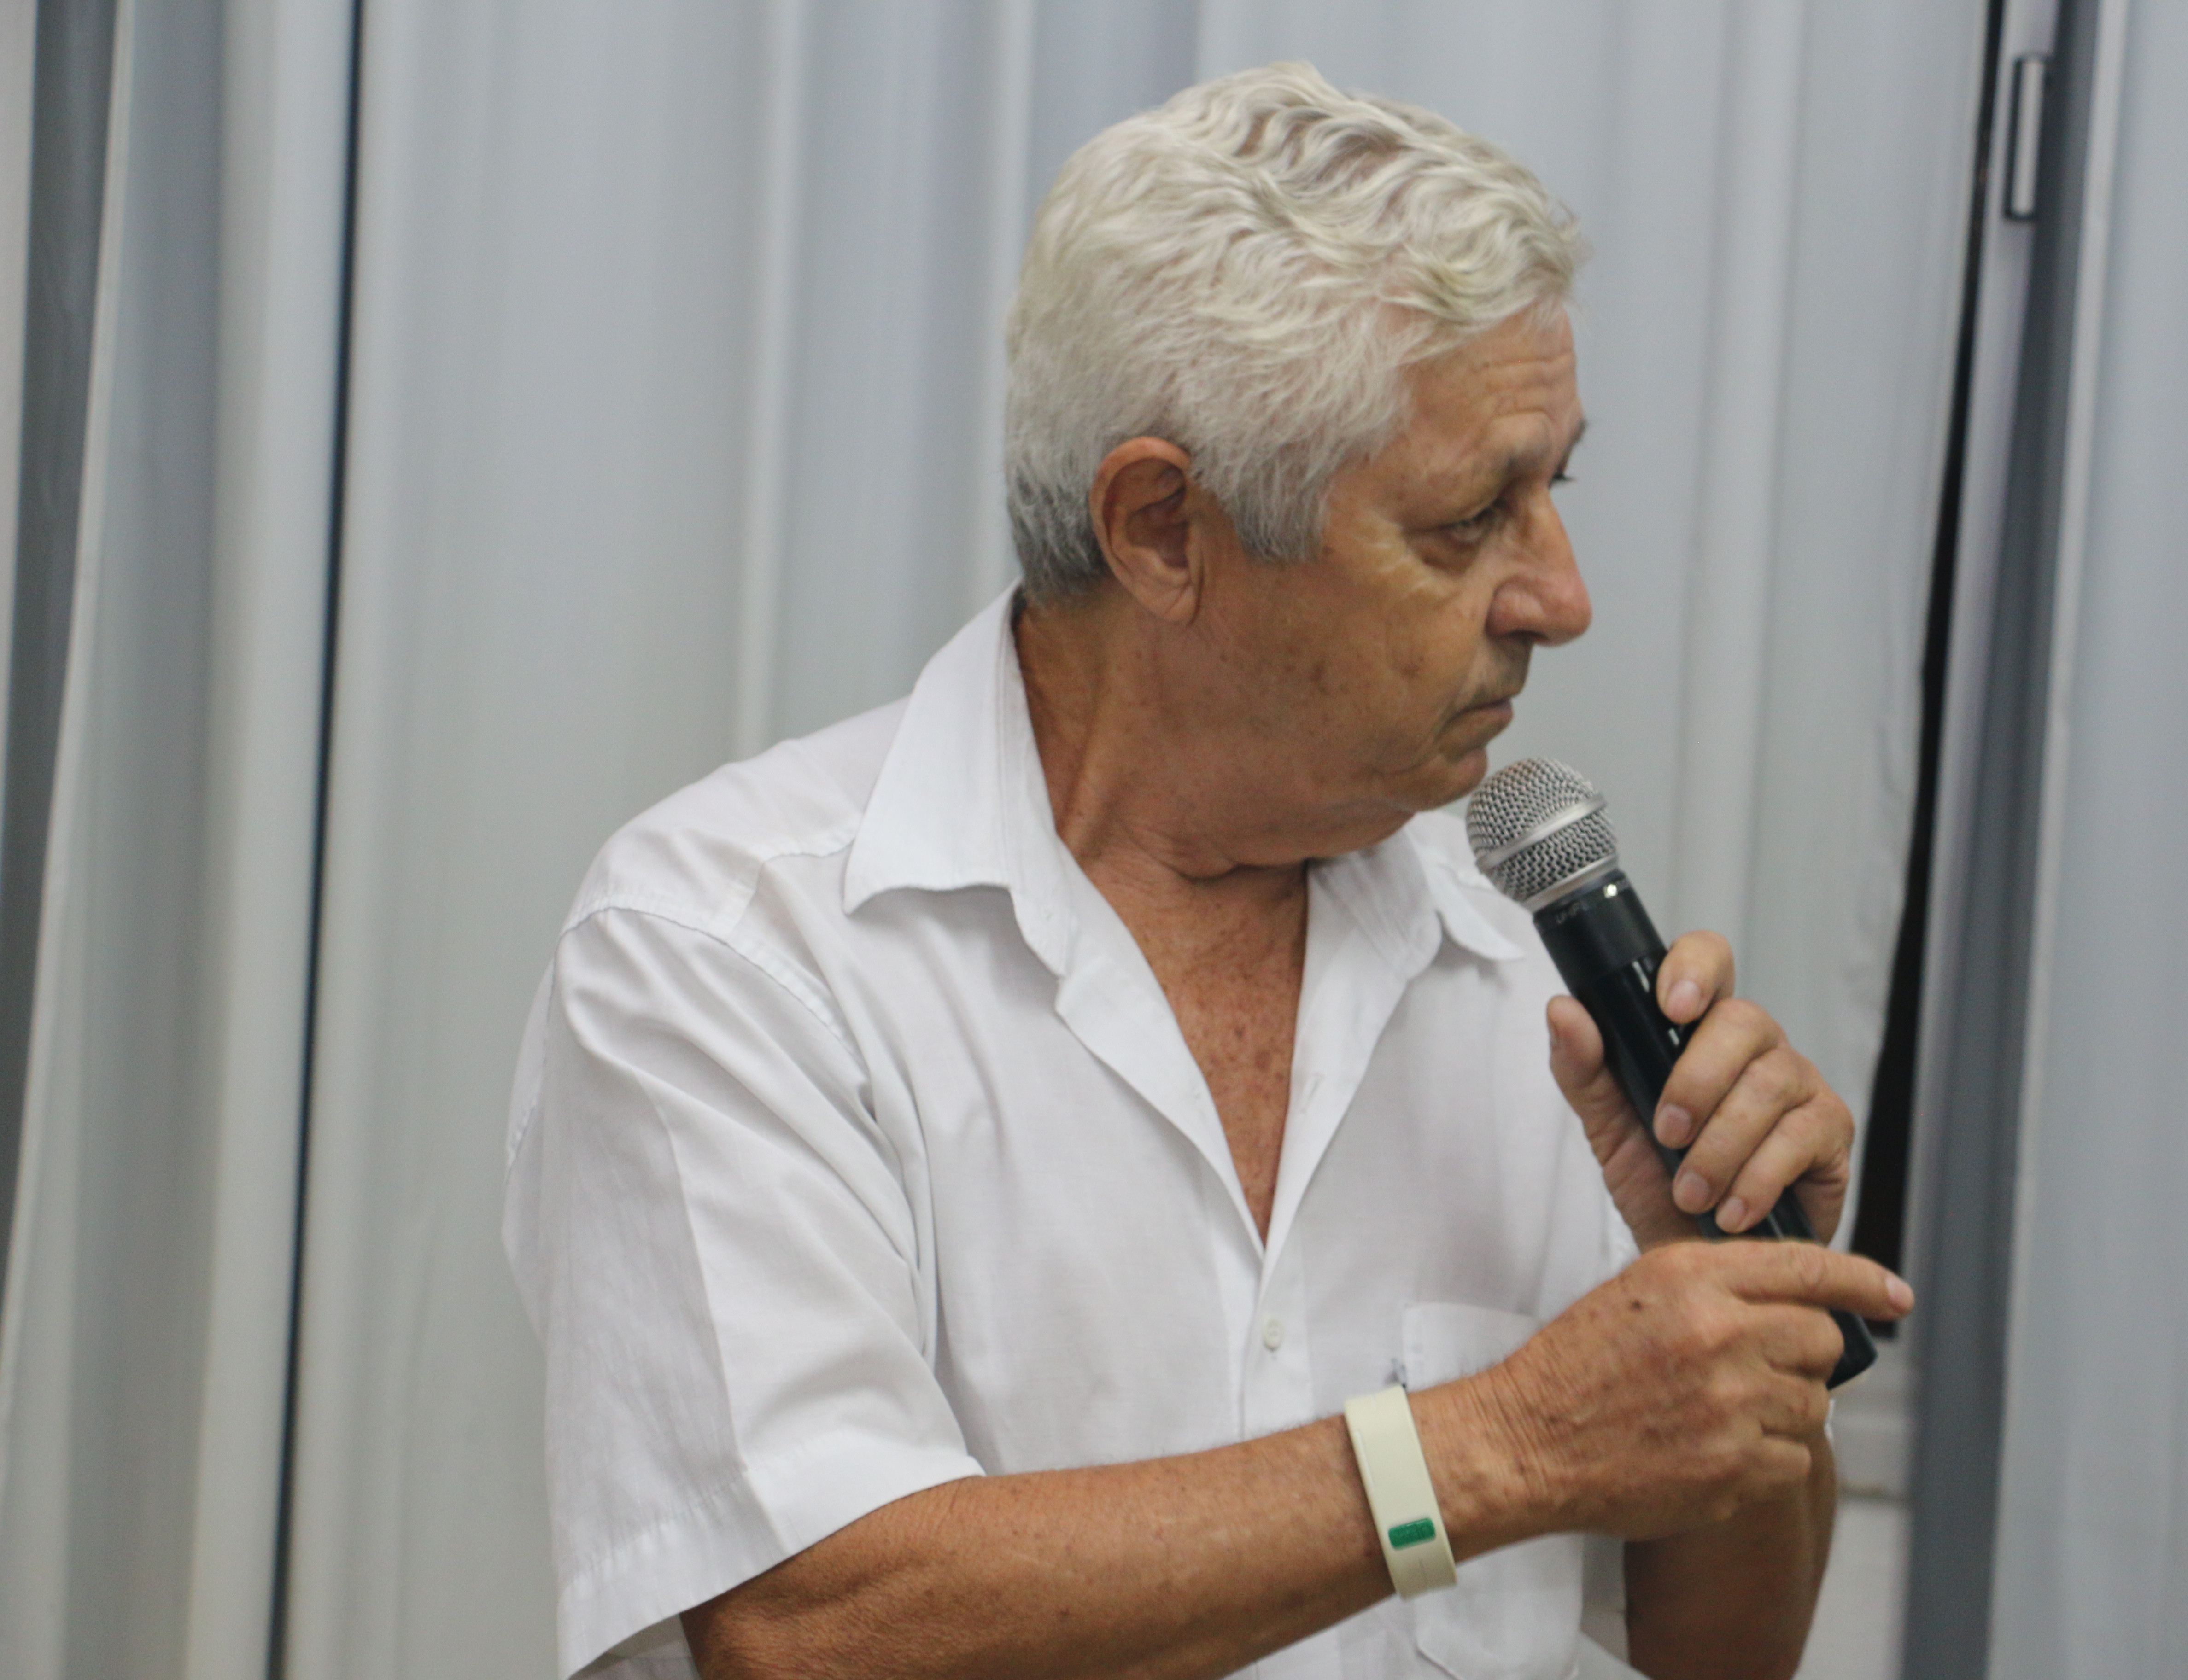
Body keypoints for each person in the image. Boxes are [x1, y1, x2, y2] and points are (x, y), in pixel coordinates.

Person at [504, 61, 1912, 1680]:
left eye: (1557, 488)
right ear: (1165, 530)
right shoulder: (732, 946)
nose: (1563, 597)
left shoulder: (1532, 983)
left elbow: (1721, 1653)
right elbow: (815, 1628)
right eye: (1469, 519)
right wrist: (1503, 1450)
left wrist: (1720, 1300)